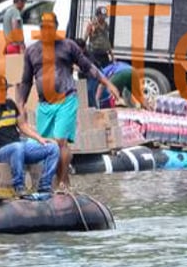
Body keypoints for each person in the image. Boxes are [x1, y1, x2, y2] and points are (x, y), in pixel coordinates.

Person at [17, 13, 124, 190]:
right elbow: (26, 81)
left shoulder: (67, 46)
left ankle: (63, 181)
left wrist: (108, 84)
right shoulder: (32, 51)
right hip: (45, 104)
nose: (47, 30)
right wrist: (20, 105)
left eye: (50, 27)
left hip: (66, 99)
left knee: (60, 141)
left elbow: (88, 67)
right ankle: (52, 181)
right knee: (48, 145)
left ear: (56, 27)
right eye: (44, 27)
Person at [0, 75, 60, 199]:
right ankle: (18, 187)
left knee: (53, 148)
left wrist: (40, 139)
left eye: (5, 90)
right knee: (17, 147)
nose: (4, 94)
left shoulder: (10, 104)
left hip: (20, 147)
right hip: (1, 152)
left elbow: (22, 126)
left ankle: (45, 185)